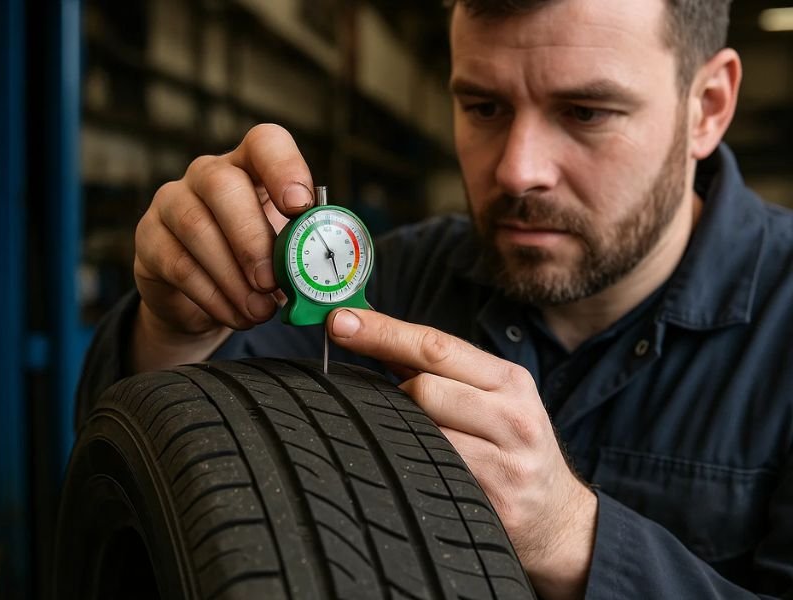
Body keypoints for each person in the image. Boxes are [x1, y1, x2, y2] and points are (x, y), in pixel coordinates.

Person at [78, 0, 793, 597]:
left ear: (708, 107)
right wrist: (176, 325)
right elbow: (149, 466)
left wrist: (574, 538)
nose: (518, 171)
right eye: (483, 106)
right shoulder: (389, 278)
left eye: (585, 112)